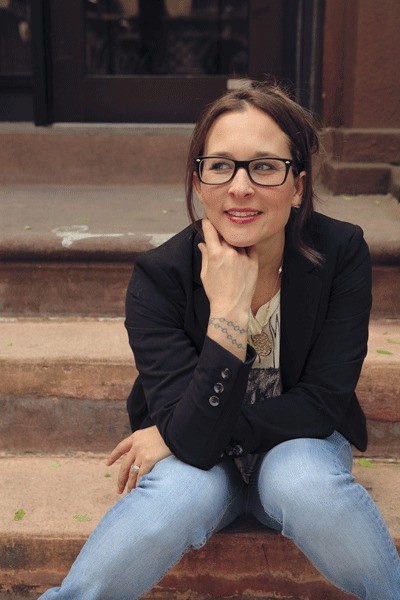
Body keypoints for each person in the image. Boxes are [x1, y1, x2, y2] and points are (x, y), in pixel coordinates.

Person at [39, 82, 400, 600]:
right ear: (199, 182)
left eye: (265, 167)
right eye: (221, 166)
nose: (240, 187)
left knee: (304, 483)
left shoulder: (341, 252)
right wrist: (229, 311)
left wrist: (181, 434)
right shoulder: (159, 277)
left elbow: (323, 401)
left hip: (300, 444)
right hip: (200, 464)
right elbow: (190, 440)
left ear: (298, 186)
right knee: (176, 495)